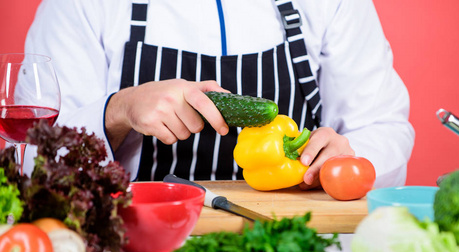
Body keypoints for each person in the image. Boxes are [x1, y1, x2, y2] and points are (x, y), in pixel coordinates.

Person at [22, 0, 415, 189]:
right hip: (136, 250)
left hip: (294, 235)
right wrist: (118, 110)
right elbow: (31, 156)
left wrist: (343, 160)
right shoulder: (77, 4)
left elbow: (383, 127)